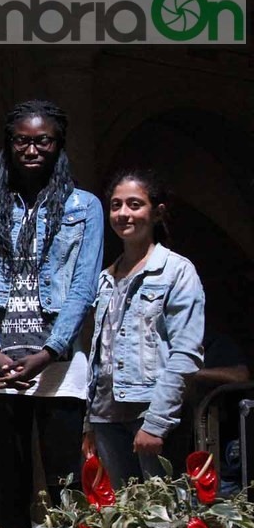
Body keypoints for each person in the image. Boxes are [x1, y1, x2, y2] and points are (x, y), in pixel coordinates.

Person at [0, 100, 104, 528]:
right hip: (0, 367)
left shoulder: (85, 207)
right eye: (22, 140)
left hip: (58, 367)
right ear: (9, 145)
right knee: (10, 486)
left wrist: (49, 352)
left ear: (58, 145)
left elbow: (83, 289)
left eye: (43, 140)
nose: (32, 149)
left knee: (65, 486)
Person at [82, 169, 205, 484]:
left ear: (157, 212)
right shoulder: (105, 279)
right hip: (106, 416)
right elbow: (98, 352)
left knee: (163, 519)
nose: (123, 213)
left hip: (149, 414)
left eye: (134, 204)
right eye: (116, 205)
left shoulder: (176, 271)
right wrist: (89, 424)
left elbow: (185, 354)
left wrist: (157, 422)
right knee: (121, 518)